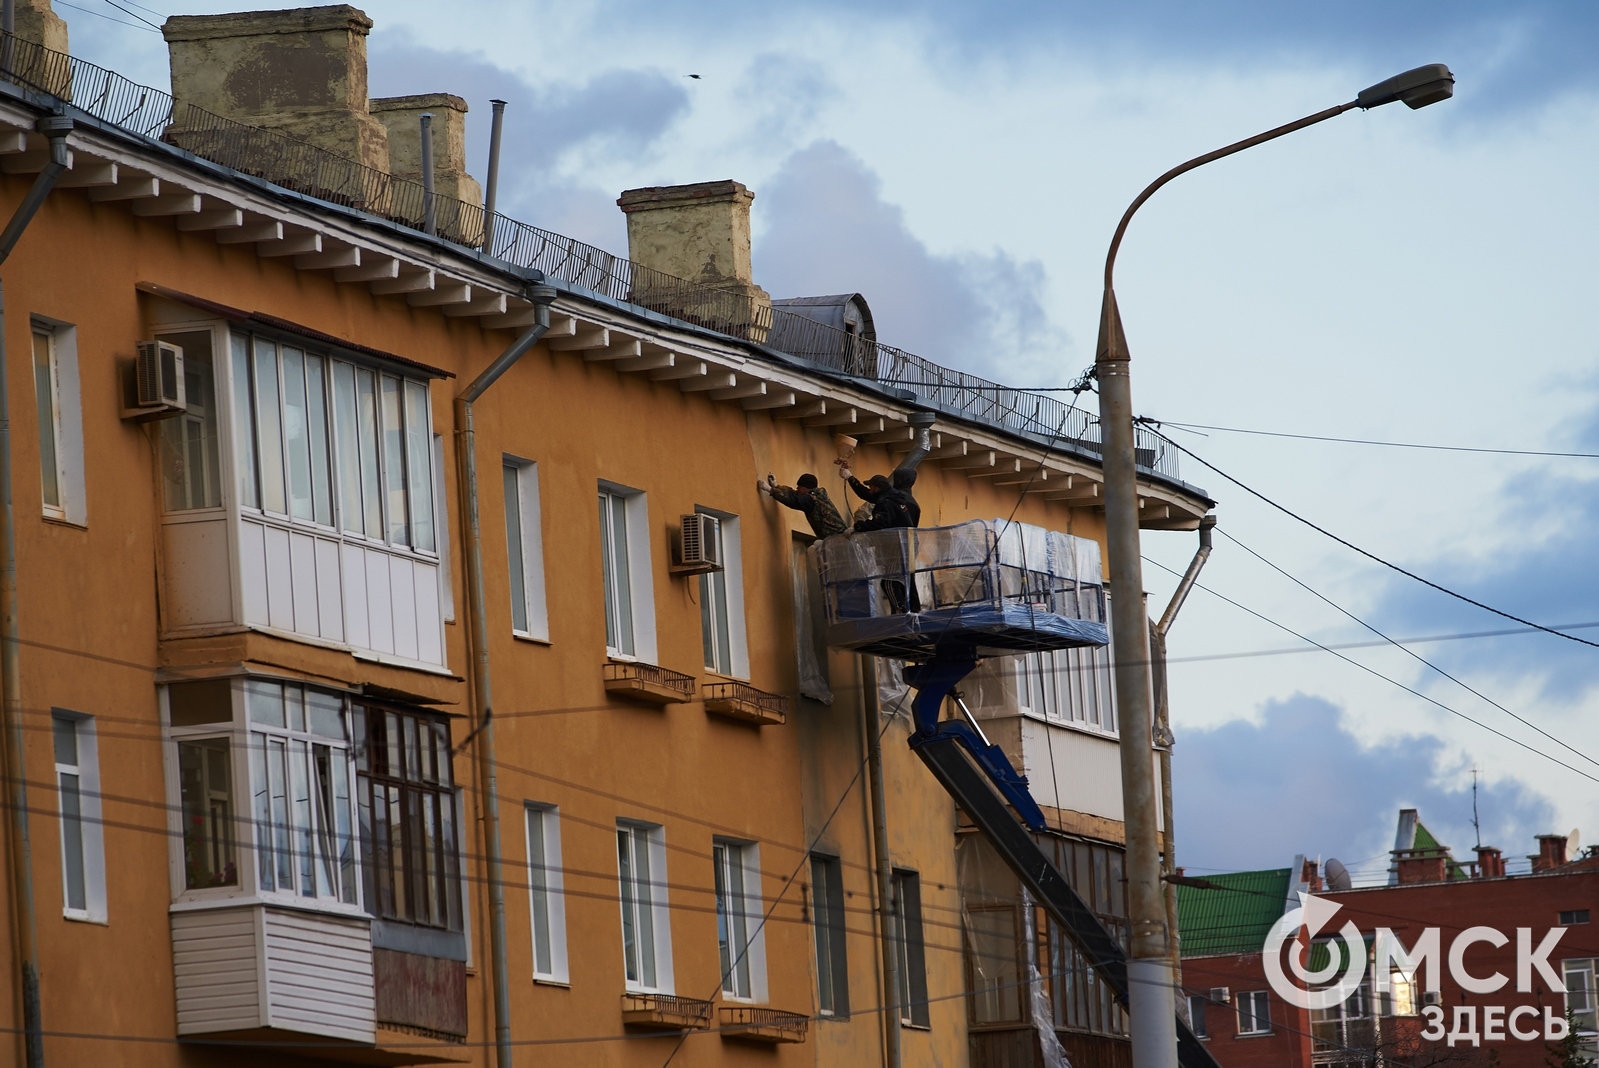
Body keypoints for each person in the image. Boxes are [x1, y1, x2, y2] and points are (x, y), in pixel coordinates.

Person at [757, 472, 845, 538]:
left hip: (837, 539)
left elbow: (793, 500)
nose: (797, 488)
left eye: (799, 486)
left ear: (806, 487)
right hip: (838, 538)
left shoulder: (811, 500)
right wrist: (776, 486)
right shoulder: (817, 496)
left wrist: (770, 490)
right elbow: (794, 494)